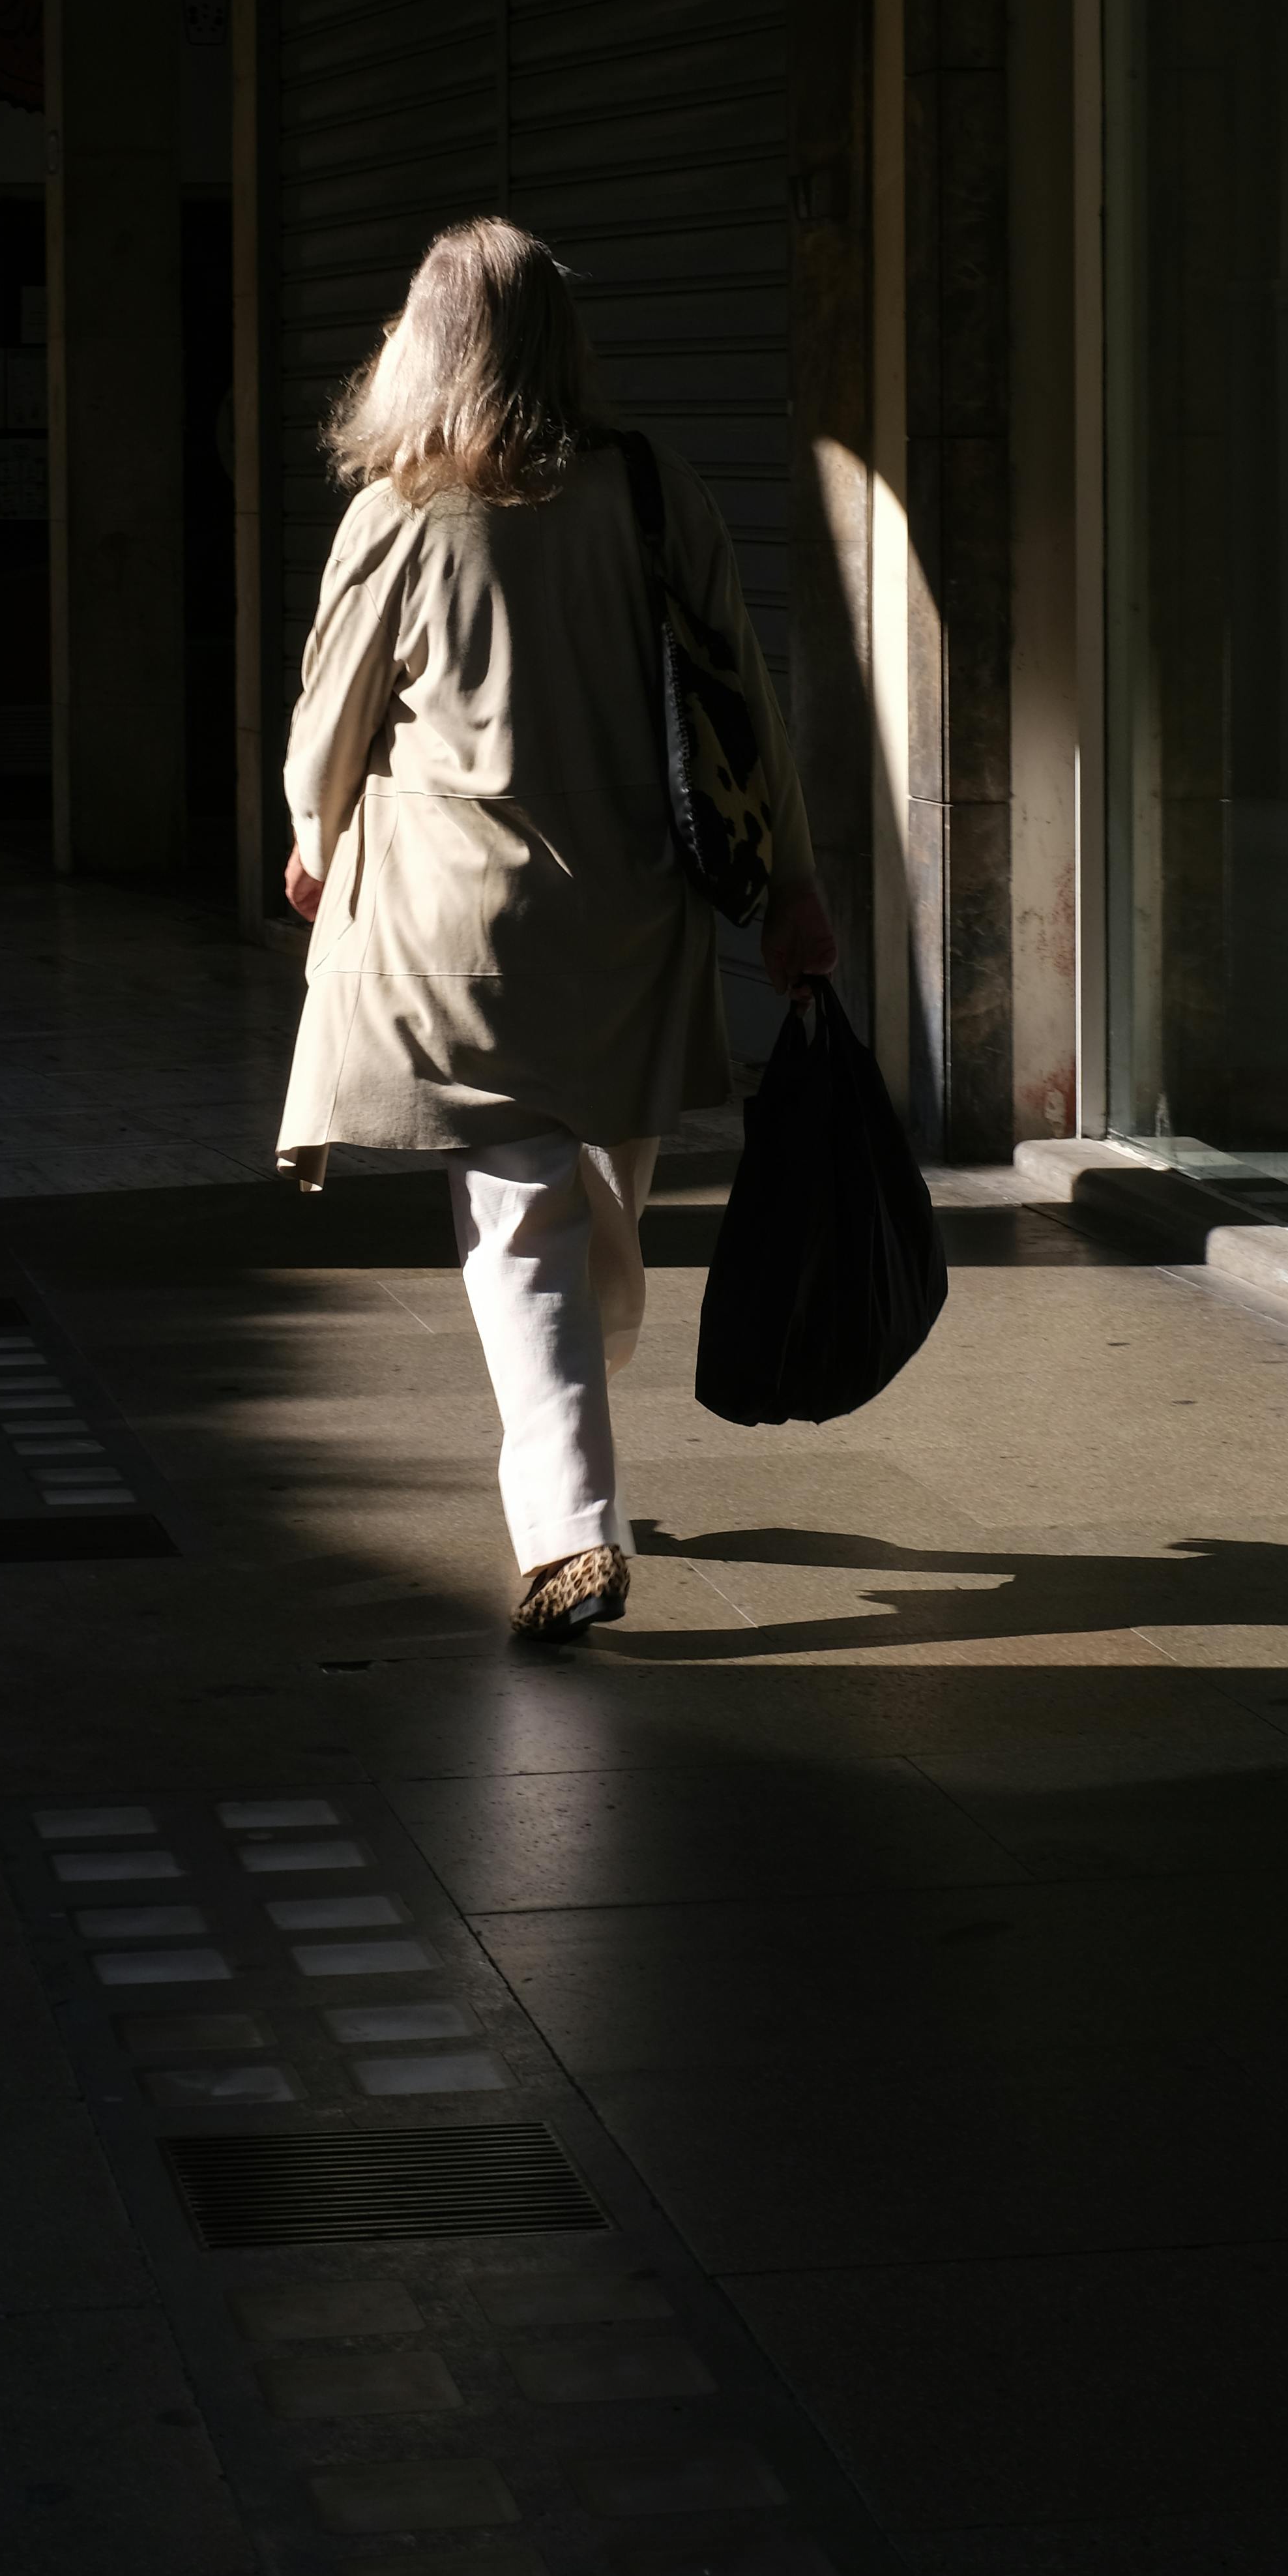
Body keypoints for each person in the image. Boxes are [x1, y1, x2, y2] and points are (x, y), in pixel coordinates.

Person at [278, 218, 836, 1639]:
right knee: (573, 1199)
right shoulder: (652, 490)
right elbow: (742, 704)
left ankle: (571, 1482)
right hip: (633, 926)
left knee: (538, 1223)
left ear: (426, 343)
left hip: (457, 934)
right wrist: (792, 882)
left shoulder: (399, 512)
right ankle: (570, 1514)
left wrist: (312, 833)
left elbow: (325, 728)